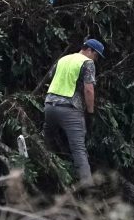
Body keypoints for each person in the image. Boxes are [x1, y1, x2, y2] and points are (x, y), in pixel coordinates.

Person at [42, 38, 105, 184]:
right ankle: (88, 187)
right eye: (96, 56)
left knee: (47, 138)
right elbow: (89, 89)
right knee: (78, 150)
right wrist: (90, 111)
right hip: (69, 110)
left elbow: (51, 76)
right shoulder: (87, 63)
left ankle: (47, 172)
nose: (96, 60)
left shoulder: (63, 59)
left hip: (49, 106)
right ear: (89, 50)